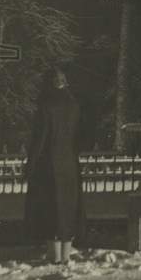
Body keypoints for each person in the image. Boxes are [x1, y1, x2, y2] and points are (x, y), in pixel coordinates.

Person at [24, 68, 85, 264]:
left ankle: (54, 255)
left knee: (50, 207)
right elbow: (80, 137)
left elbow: (40, 139)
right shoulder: (74, 105)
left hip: (48, 164)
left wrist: (30, 164)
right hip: (69, 163)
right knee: (67, 207)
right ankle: (66, 254)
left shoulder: (47, 106)